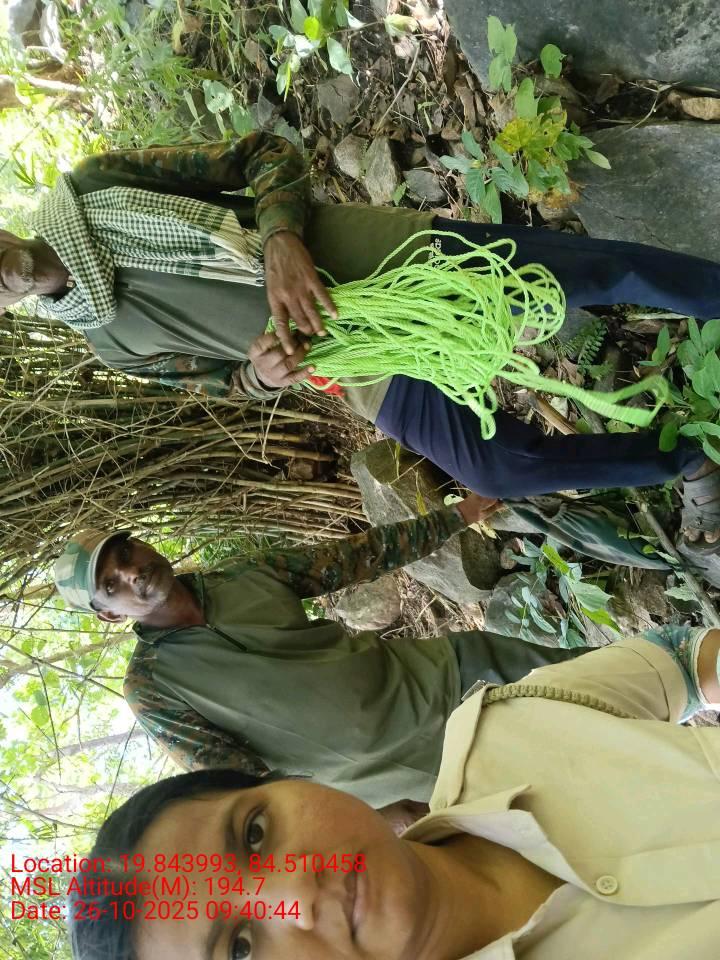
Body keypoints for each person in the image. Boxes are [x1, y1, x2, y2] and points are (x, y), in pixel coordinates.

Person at [3, 133, 720, 576]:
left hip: (383, 260)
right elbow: (226, 384)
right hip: (361, 362)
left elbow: (263, 153)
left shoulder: (94, 184)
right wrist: (263, 374)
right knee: (495, 467)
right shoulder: (111, 344)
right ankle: (686, 459)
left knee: (590, 274)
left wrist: (282, 239)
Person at [69, 623, 720, 960]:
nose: (297, 891)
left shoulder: (504, 731)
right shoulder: (156, 684)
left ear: (284, 783)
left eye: (255, 835)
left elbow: (678, 660)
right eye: (239, 949)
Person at [53, 495, 588, 810]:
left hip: (449, 674)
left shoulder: (244, 576)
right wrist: (370, 823)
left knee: (601, 683)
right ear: (109, 614)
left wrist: (458, 514)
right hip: (412, 777)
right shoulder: (152, 685)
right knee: (573, 792)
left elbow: (361, 555)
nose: (131, 571)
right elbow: (242, 785)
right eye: (110, 583)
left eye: (126, 552)